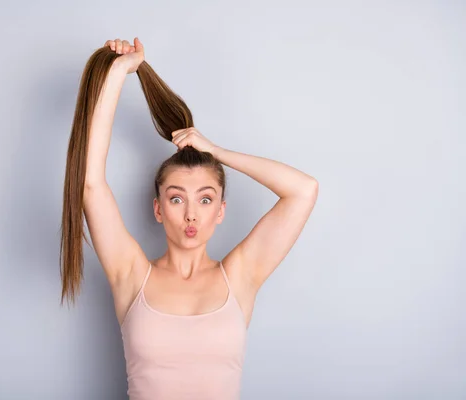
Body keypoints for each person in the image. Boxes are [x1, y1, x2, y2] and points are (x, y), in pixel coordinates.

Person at [60, 37, 319, 400]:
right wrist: (119, 71)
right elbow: (90, 185)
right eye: (177, 198)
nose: (192, 213)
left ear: (220, 212)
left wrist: (217, 151)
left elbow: (303, 190)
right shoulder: (132, 274)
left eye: (206, 198)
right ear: (158, 209)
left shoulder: (240, 276)